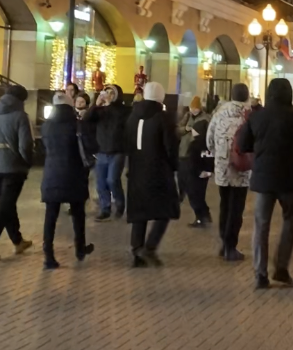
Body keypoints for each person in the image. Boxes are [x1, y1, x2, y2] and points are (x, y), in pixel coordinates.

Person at [240, 78, 293, 289]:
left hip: (263, 178)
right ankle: (281, 267)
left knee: (261, 225)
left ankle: (260, 273)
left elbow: (244, 144)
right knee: (290, 219)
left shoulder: (257, 116)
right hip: (288, 178)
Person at [124, 82, 180, 267]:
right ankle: (150, 246)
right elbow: (170, 146)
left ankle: (136, 250)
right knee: (165, 210)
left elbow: (128, 143)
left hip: (137, 169)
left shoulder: (133, 116)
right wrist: (174, 166)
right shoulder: (163, 117)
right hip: (158, 170)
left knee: (140, 212)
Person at [0, 84, 34, 262]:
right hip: (13, 167)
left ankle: (18, 241)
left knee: (7, 204)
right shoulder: (20, 116)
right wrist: (28, 161)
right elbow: (25, 145)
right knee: (3, 207)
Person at [40, 92, 94, 269]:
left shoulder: (47, 126)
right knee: (78, 213)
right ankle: (80, 248)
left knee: (51, 215)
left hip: (52, 173)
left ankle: (48, 255)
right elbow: (91, 146)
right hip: (74, 174)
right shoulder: (77, 125)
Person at [207, 83, 251, 261]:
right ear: (246, 96)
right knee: (236, 208)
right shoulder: (248, 116)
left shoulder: (219, 113)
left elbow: (209, 139)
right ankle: (231, 246)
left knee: (224, 205)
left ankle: (224, 243)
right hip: (241, 169)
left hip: (222, 168)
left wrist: (218, 154)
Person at [83, 84, 130, 221]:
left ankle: (120, 204)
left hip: (117, 151)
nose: (108, 94)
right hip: (102, 151)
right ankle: (105, 209)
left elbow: (118, 120)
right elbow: (87, 120)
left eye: (111, 92)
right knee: (101, 183)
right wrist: (95, 105)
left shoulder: (124, 110)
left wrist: (109, 105)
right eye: (106, 91)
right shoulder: (101, 110)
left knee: (112, 180)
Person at [178, 96, 212, 227]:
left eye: (196, 108)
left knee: (196, 190)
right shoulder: (187, 117)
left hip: (199, 158)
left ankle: (201, 216)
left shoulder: (206, 119)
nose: (193, 110)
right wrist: (186, 129)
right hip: (185, 154)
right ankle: (203, 214)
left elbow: (209, 138)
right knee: (188, 186)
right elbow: (177, 129)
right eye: (192, 108)